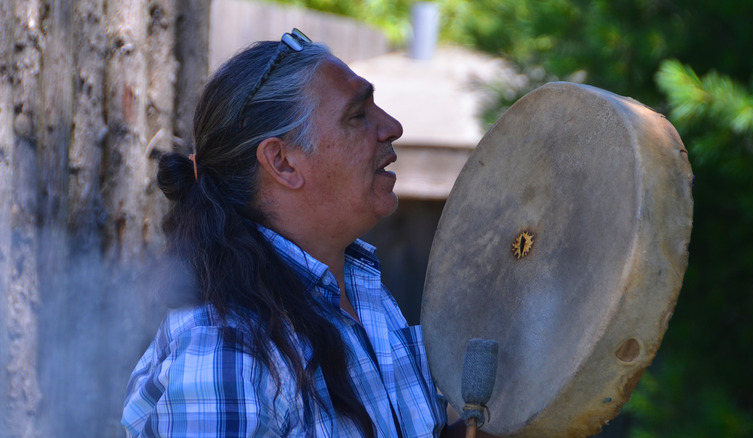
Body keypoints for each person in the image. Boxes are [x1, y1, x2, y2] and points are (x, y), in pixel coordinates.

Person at [121, 29, 483, 437]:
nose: (392, 127)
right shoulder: (225, 349)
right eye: (357, 116)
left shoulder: (361, 290)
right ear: (283, 162)